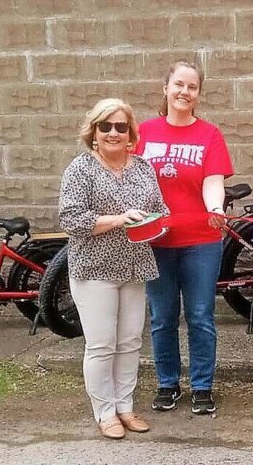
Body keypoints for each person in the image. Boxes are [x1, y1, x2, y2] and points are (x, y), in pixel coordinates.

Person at [59, 98, 167, 440]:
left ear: (131, 132)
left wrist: (157, 222)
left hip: (135, 267)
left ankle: (125, 406)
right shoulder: (80, 169)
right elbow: (71, 220)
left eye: (121, 126)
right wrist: (120, 220)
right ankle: (105, 412)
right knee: (102, 345)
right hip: (94, 270)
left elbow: (160, 207)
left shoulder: (143, 168)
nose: (113, 133)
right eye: (105, 126)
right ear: (93, 131)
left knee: (130, 343)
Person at [134, 61, 233, 415]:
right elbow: (130, 180)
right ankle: (167, 383)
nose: (184, 92)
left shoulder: (210, 135)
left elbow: (213, 181)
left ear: (199, 93)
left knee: (201, 315)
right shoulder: (143, 132)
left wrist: (215, 208)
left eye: (192, 87)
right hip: (156, 241)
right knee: (162, 316)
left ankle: (202, 386)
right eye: (178, 84)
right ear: (166, 87)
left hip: (200, 241)